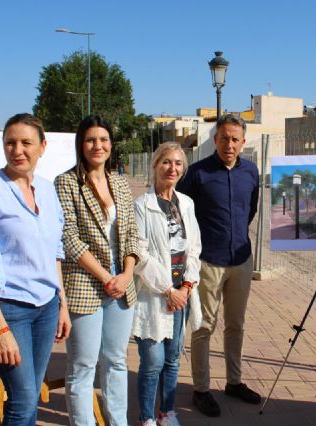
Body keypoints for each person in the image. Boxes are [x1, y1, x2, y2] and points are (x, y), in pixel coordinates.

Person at [0, 113, 71, 425]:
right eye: (10, 143)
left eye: (26, 143)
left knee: (31, 394)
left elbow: (55, 252)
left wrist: (61, 304)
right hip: (9, 310)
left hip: (46, 307)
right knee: (22, 402)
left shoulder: (48, 191)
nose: (17, 150)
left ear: (42, 147)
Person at [54, 115, 139, 425]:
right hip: (86, 285)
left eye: (103, 140)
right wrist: (106, 277)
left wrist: (127, 274)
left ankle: (118, 421)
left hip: (122, 285)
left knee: (116, 361)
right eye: (90, 140)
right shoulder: (66, 182)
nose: (97, 145)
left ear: (111, 145)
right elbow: (69, 237)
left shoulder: (119, 182)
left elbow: (131, 233)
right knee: (83, 366)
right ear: (81, 144)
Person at [176, 114, 260, 417]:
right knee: (203, 327)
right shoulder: (197, 173)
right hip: (208, 262)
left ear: (243, 142)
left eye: (235, 139)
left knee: (236, 325)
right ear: (216, 140)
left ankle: (234, 382)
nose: (229, 144)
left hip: (241, 260)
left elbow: (250, 209)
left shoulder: (251, 172)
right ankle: (201, 389)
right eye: (224, 138)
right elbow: (182, 214)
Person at [131, 142, 203, 426]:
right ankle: (147, 417)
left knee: (173, 360)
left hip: (182, 295)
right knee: (152, 363)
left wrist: (186, 286)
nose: (172, 168)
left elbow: (194, 247)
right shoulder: (141, 206)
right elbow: (140, 255)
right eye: (166, 162)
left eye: (177, 163)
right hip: (154, 295)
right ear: (155, 165)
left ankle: (167, 412)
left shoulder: (186, 203)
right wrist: (168, 290)